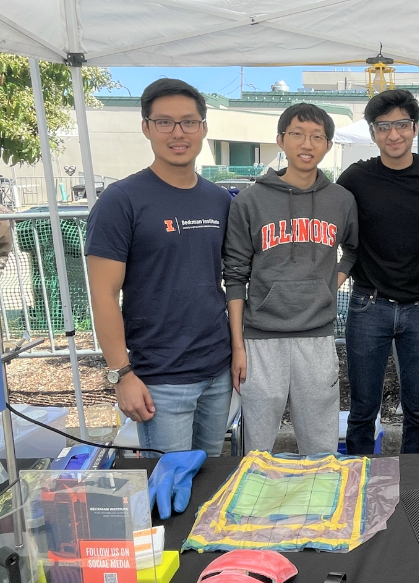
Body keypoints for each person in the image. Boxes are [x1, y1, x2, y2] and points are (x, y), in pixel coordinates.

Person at [86, 78, 232, 456]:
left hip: (217, 370)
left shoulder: (219, 201)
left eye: (188, 122)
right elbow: (102, 294)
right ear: (146, 127)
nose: (178, 132)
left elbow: (230, 279)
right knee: (170, 493)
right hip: (160, 378)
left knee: (210, 482)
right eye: (164, 122)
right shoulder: (121, 200)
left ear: (203, 127)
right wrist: (121, 374)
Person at [222, 103, 358, 455]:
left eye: (317, 136)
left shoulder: (341, 200)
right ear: (281, 139)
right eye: (297, 134)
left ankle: (323, 508)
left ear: (328, 144)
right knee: (256, 449)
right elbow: (234, 275)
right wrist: (238, 346)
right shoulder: (250, 201)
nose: (307, 144)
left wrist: (331, 284)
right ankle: (251, 510)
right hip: (260, 339)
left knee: (321, 446)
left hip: (316, 336)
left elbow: (354, 250)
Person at [337, 89, 419, 454]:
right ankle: (357, 481)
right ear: (373, 133)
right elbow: (327, 217)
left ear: (414, 128)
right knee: (362, 408)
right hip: (368, 305)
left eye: (401, 125)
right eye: (383, 127)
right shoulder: (356, 178)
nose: (394, 134)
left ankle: (413, 485)